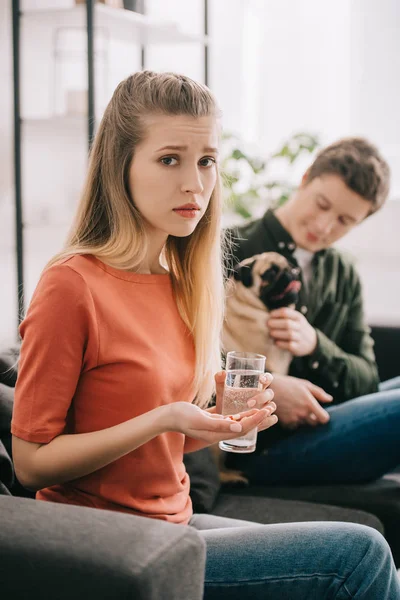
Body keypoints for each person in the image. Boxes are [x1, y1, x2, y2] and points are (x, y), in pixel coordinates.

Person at [10, 71, 400, 598]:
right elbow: (31, 465)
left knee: (379, 566)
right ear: (119, 164)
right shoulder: (71, 285)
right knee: (361, 555)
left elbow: (165, 440)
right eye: (169, 159)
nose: (195, 183)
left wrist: (216, 424)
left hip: (176, 525)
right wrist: (165, 418)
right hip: (117, 545)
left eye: (207, 160)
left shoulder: (180, 283)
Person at [225, 137, 400, 488]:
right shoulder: (228, 248)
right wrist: (271, 388)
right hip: (258, 446)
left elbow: (366, 379)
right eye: (322, 204)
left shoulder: (343, 271)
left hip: (331, 421)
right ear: (305, 178)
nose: (324, 227)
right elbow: (182, 358)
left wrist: (316, 345)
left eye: (344, 221)